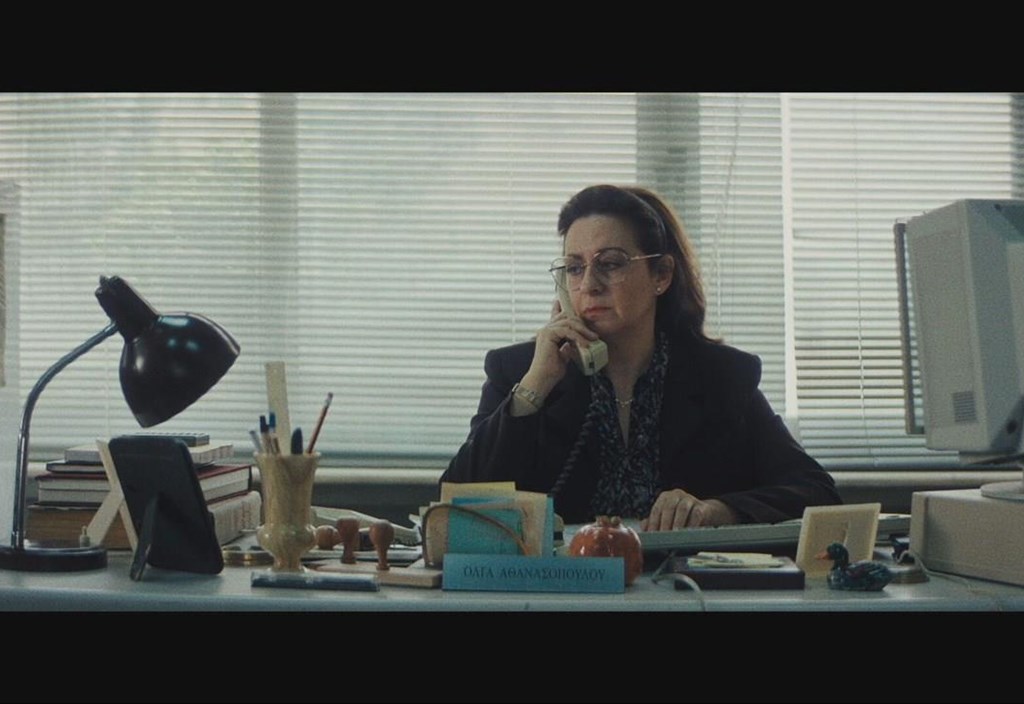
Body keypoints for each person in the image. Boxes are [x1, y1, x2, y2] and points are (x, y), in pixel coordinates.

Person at [442, 184, 841, 530]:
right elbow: (456, 507)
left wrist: (717, 510)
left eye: (610, 264)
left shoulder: (721, 376)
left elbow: (815, 491)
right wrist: (536, 386)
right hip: (562, 583)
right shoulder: (518, 372)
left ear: (661, 275)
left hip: (680, 581)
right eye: (574, 268)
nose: (589, 285)